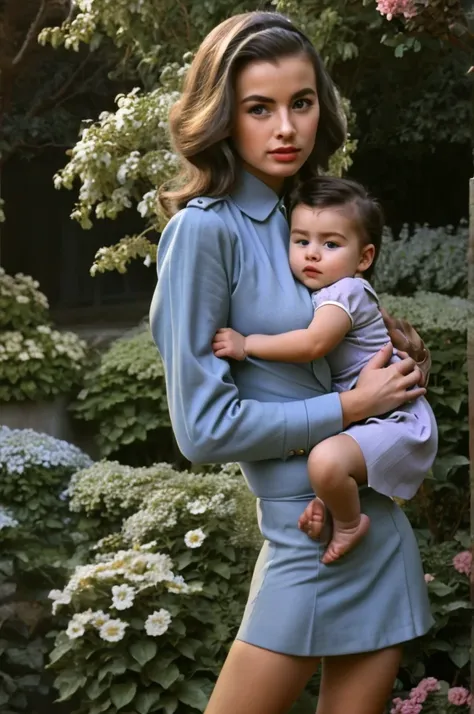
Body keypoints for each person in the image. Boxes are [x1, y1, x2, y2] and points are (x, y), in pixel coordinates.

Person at [150, 11, 435, 714]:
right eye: (259, 108)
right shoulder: (202, 232)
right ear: (222, 116)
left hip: (371, 530)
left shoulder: (303, 215)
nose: (286, 128)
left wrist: (393, 353)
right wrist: (351, 407)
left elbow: (340, 337)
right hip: (302, 541)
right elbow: (204, 431)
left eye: (301, 103)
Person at [212, 176, 438, 565]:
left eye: (330, 244)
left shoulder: (346, 292)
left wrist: (247, 344)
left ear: (364, 258)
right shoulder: (321, 292)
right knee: (327, 466)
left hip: (394, 418)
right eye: (302, 242)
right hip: (370, 414)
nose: (312, 254)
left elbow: (313, 344)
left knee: (324, 461)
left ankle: (350, 522)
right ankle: (331, 503)